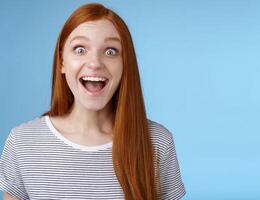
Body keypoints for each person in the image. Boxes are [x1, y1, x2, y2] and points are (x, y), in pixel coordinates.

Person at [0, 3, 185, 200]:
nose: (95, 63)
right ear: (62, 61)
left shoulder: (157, 142)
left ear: (125, 64)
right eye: (80, 49)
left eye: (111, 51)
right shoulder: (22, 143)